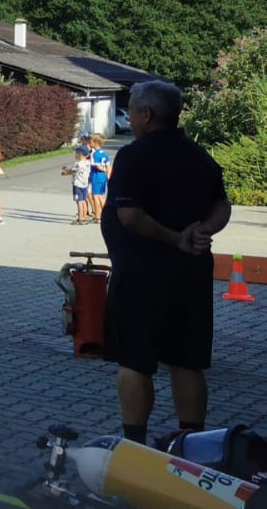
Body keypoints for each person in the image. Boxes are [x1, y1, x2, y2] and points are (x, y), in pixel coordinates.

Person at [100, 79, 231, 447]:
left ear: (147, 114)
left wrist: (176, 238)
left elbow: (130, 215)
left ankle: (135, 443)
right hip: (191, 274)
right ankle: (193, 444)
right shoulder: (198, 155)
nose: (129, 118)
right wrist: (203, 230)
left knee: (134, 361)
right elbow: (223, 205)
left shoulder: (133, 156)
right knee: (187, 361)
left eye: (131, 110)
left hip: (142, 275)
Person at [62, 145, 93, 224]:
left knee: (79, 201)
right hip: (85, 184)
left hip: (78, 185)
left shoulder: (78, 163)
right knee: (83, 200)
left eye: (76, 153)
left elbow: (72, 171)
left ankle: (80, 218)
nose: (75, 154)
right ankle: (84, 217)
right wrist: (67, 170)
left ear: (80, 154)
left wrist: (64, 173)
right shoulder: (88, 163)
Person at [89, 133, 112, 222]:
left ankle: (98, 216)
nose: (90, 143)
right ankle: (107, 215)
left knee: (95, 196)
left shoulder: (95, 154)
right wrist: (108, 174)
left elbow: (98, 167)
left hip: (96, 177)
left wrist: (104, 170)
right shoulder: (104, 153)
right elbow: (109, 166)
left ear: (96, 143)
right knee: (101, 196)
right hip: (103, 177)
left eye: (91, 141)